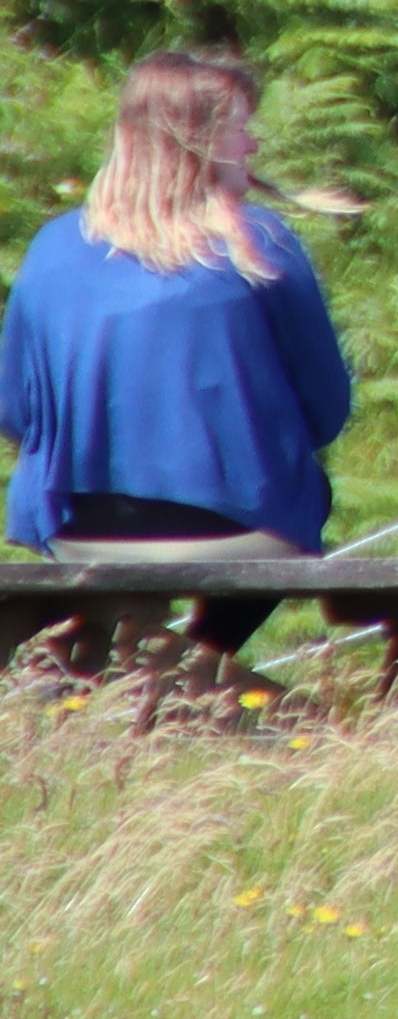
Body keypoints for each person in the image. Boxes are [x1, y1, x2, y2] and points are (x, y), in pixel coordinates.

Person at [3, 50, 355, 653]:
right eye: (241, 127)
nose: (254, 144)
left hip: (79, 532)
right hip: (243, 529)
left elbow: (13, 415)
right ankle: (199, 662)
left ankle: (135, 663)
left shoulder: (53, 247)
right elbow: (325, 410)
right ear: (196, 140)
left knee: (93, 639)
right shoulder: (260, 240)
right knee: (307, 494)